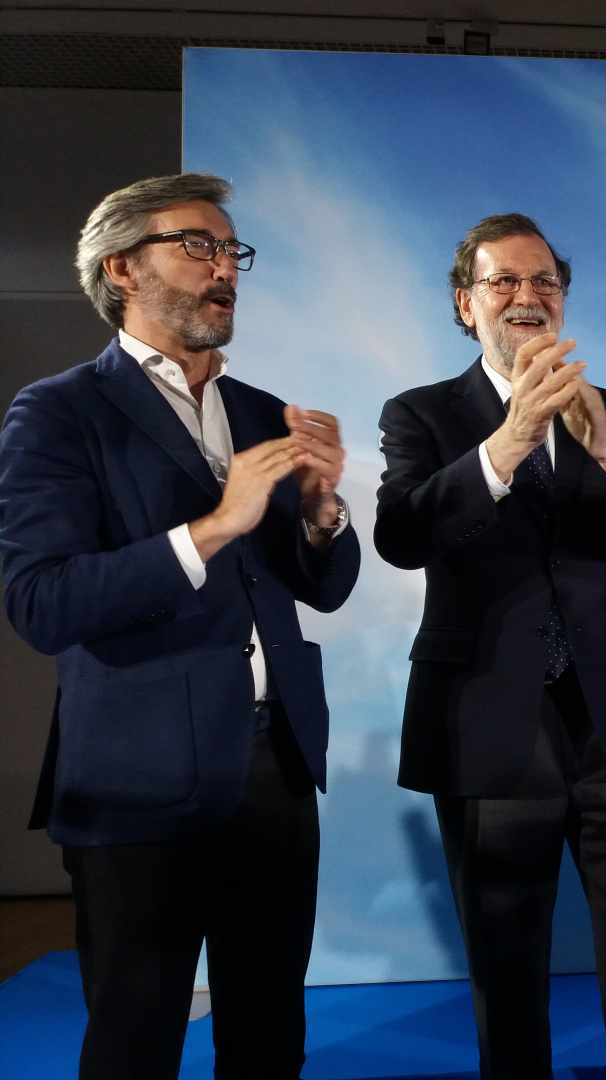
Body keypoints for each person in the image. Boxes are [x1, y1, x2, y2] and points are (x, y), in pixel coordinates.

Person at [0, 173, 360, 1079]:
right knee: (135, 1038)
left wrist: (323, 515)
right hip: (135, 778)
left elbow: (321, 589)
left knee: (271, 1033)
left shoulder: (258, 411)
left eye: (231, 250)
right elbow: (42, 602)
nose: (224, 267)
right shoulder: (59, 412)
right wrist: (213, 527)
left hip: (275, 769)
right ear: (122, 267)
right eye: (196, 245)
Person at [374, 212, 606, 1078]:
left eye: (544, 284)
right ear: (466, 304)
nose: (527, 298)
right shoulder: (422, 413)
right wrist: (511, 439)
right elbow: (402, 535)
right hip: (489, 725)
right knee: (506, 964)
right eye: (504, 282)